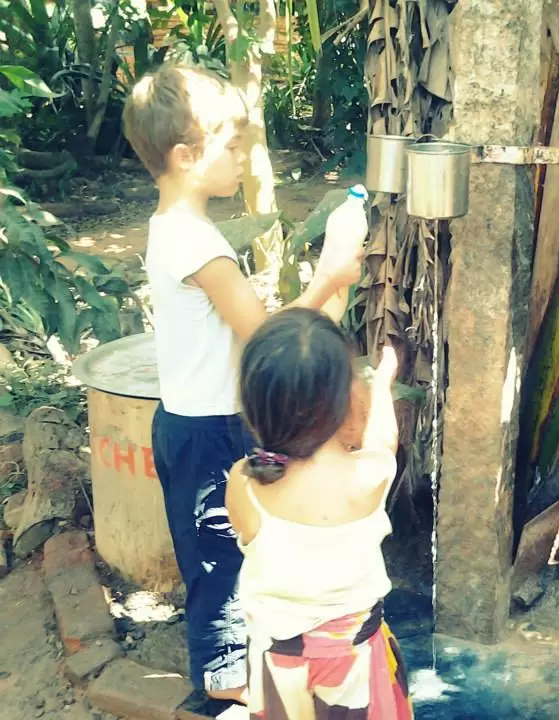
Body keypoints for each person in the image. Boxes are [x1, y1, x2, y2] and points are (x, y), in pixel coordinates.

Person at [121, 63, 364, 705]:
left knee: (231, 551)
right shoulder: (199, 246)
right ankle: (229, 690)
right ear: (186, 155)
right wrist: (331, 279)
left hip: (197, 423)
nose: (242, 157)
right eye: (231, 146)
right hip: (208, 432)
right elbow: (265, 342)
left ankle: (244, 675)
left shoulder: (170, 227)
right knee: (220, 560)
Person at [225, 308, 411, 719]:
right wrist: (382, 382)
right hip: (354, 664)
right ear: (346, 398)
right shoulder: (368, 476)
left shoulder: (245, 482)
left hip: (276, 666)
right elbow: (385, 439)